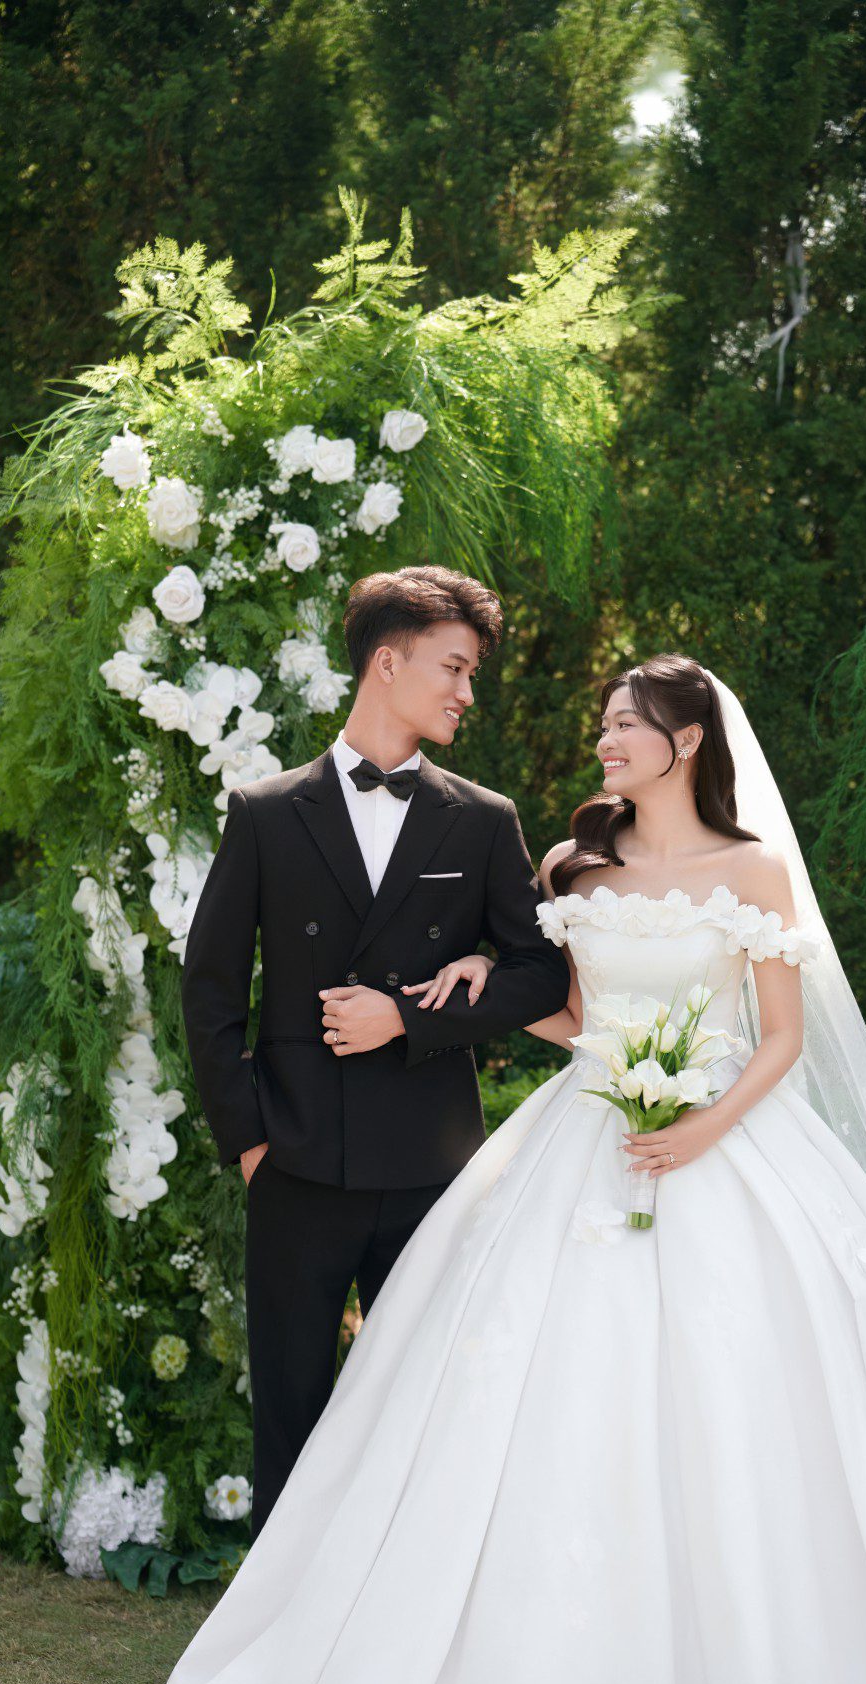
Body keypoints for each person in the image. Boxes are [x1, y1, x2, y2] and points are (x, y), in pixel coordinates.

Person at [124, 654, 866, 1684]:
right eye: (603, 720)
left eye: (627, 723)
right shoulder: (572, 867)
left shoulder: (752, 870)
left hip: (723, 1147)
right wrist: (485, 990)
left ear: (687, 740)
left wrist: (701, 1127)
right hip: (582, 1139)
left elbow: (780, 1037)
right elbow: (566, 1012)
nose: (605, 739)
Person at [179, 564, 570, 1539]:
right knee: (290, 1413)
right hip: (296, 1158)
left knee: (421, 1414)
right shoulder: (266, 812)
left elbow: (539, 977)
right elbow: (211, 987)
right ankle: (279, 1622)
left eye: (471, 673)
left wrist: (407, 1018)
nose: (466, 692)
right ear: (386, 663)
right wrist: (249, 1141)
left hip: (430, 1165)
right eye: (453, 667)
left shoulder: (481, 819)